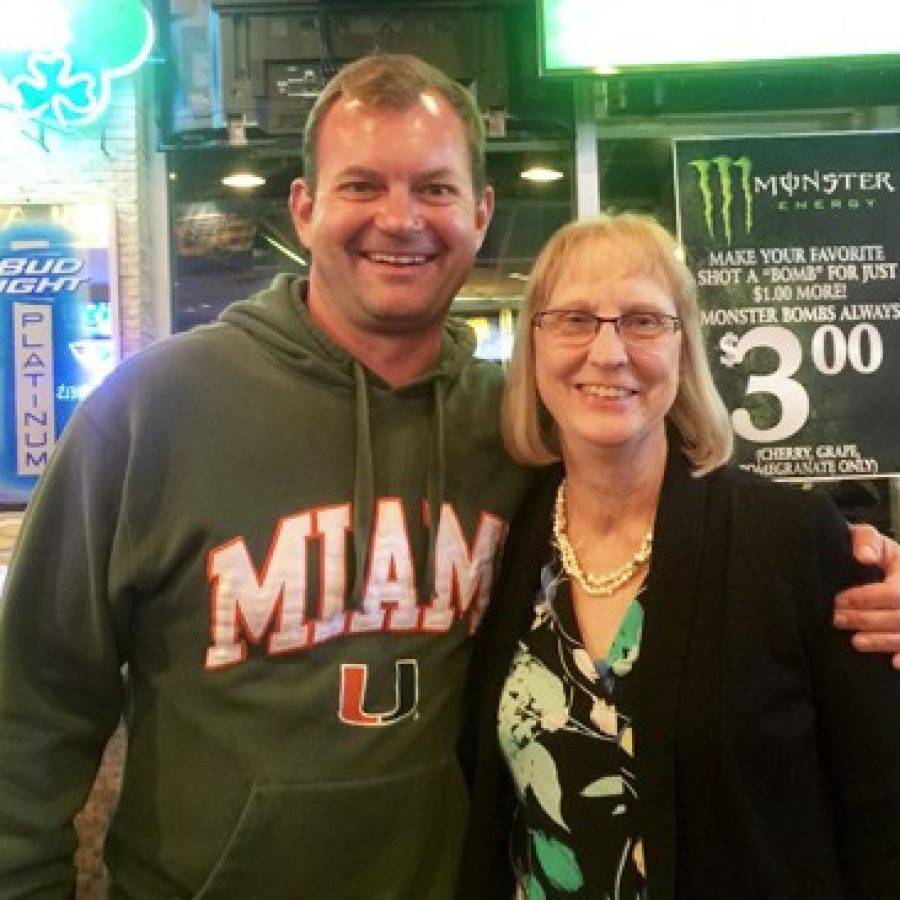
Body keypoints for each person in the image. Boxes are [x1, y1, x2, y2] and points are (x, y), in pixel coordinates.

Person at [0, 54, 896, 900]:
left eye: (435, 187)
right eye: (363, 184)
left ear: (481, 213)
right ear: (305, 207)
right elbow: (33, 698)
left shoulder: (517, 431)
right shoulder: (151, 410)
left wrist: (862, 580)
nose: (401, 218)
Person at [459, 214, 900, 899]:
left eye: (642, 321)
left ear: (684, 349)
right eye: (574, 319)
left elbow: (883, 808)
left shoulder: (788, 539)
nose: (607, 353)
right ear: (534, 347)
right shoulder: (510, 536)